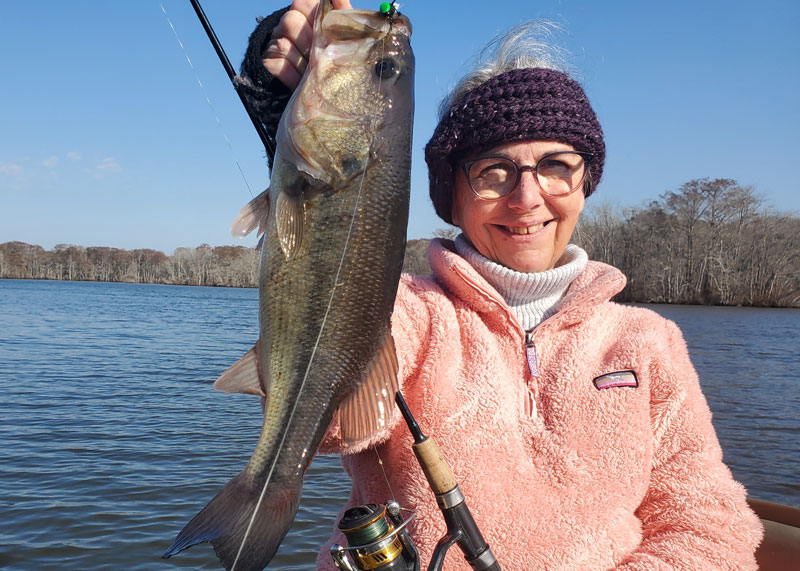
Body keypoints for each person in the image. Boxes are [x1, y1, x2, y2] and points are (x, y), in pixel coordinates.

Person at [236, 1, 764, 568]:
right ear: (452, 197)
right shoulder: (408, 311)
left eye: (556, 165)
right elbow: (336, 423)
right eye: (493, 171)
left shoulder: (648, 341)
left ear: (586, 183)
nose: (527, 197)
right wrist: (291, 100)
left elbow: (709, 524)